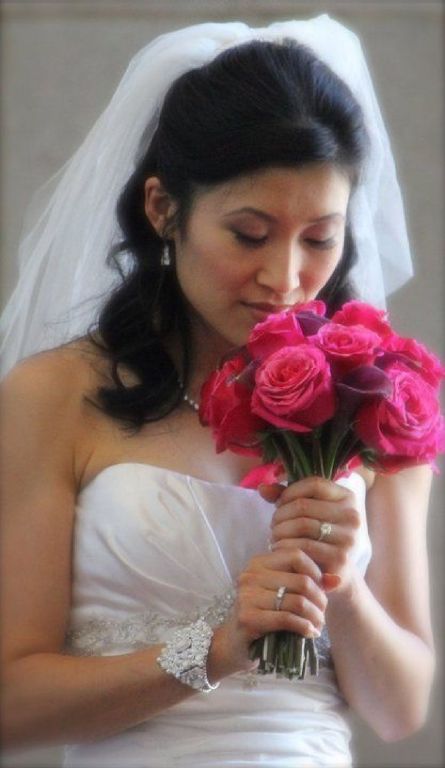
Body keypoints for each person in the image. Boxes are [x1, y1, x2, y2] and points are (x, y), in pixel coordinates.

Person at [0, 16, 435, 768]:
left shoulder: (375, 402)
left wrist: (340, 588)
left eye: (319, 237)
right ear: (163, 208)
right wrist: (216, 648)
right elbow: (9, 707)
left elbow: (400, 712)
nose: (286, 278)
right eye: (249, 232)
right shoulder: (54, 394)